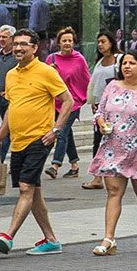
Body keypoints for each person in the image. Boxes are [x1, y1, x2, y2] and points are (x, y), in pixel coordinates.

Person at [0, 29, 73, 255]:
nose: (18, 48)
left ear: (35, 48)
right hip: (17, 141)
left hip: (40, 138)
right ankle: (51, 240)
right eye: (15, 44)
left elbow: (68, 101)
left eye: (23, 44)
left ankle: (9, 235)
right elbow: (11, 109)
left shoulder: (46, 72)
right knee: (33, 190)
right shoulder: (11, 75)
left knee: (26, 187)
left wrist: (56, 130)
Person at [87, 51, 137, 255]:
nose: (127, 67)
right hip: (113, 148)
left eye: (132, 63)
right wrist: (102, 123)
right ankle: (108, 239)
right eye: (124, 63)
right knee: (113, 192)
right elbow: (100, 112)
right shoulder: (112, 87)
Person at [44, 27, 92, 180]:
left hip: (73, 102)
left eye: (70, 41)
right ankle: (74, 165)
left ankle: (55, 165)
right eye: (64, 40)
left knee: (61, 131)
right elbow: (44, 79)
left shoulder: (79, 59)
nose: (67, 43)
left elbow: (86, 79)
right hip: (55, 102)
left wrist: (88, 99)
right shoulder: (51, 59)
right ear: (58, 43)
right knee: (67, 133)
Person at [81, 31, 118, 189]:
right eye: (98, 42)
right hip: (101, 109)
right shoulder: (99, 61)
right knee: (98, 142)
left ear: (111, 42)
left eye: (103, 41)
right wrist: (93, 102)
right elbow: (94, 84)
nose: (100, 45)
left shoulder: (120, 60)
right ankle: (97, 178)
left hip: (118, 108)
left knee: (117, 142)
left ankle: (119, 173)